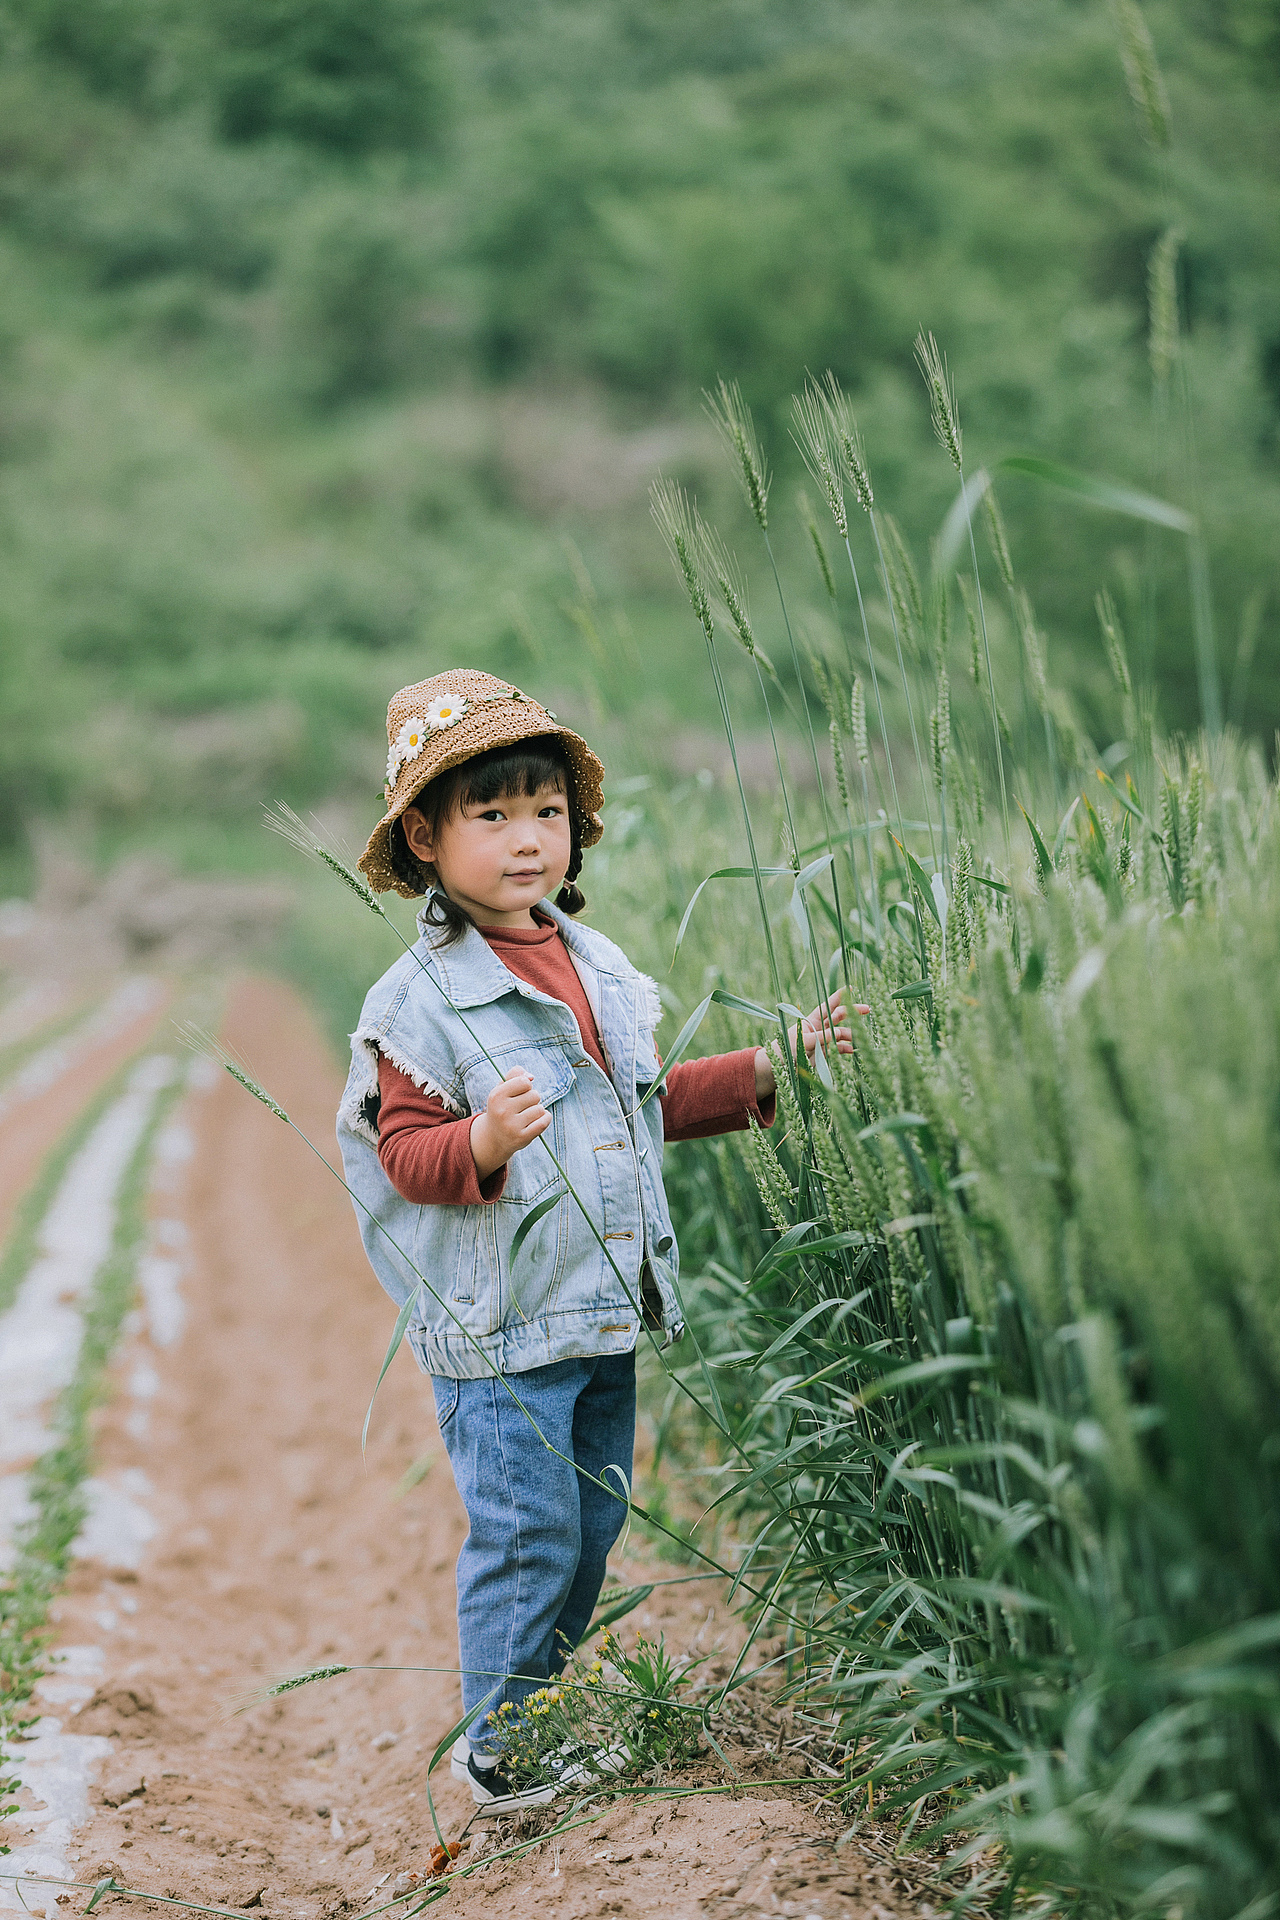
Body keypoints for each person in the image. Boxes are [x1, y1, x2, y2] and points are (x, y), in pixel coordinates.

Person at [337, 668, 858, 1812]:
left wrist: (774, 1071)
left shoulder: (588, 966)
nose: (527, 841)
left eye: (547, 813)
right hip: (503, 1327)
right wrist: (479, 1139)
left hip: (596, 1307)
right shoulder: (418, 1004)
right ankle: (499, 1746)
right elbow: (403, 1153)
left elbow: (640, 1101)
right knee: (526, 1537)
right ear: (423, 837)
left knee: (590, 1529)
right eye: (492, 815)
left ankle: (539, 1714)